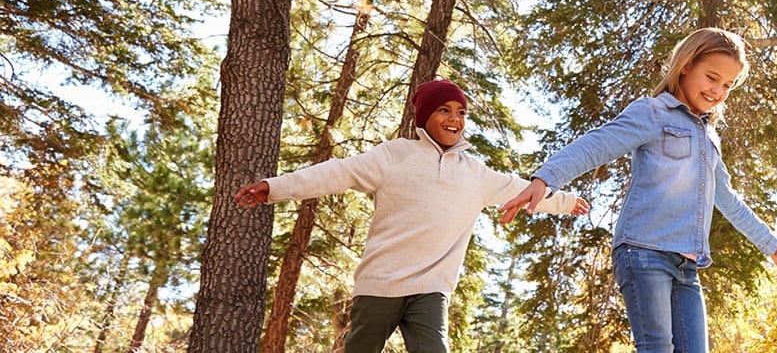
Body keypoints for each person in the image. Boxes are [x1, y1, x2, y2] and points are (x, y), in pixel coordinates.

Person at [498, 28, 777, 353]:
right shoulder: (654, 112)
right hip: (644, 252)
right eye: (712, 77)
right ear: (686, 65)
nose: (718, 90)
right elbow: (596, 145)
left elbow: (729, 201)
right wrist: (545, 180)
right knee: (657, 348)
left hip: (686, 266)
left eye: (727, 85)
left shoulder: (709, 137)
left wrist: (773, 248)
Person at [233, 78, 590, 353]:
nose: (454, 119)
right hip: (380, 284)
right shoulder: (394, 156)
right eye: (444, 110)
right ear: (425, 116)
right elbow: (335, 172)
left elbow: (524, 190)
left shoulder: (476, 173)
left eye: (461, 112)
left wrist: (564, 201)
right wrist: (274, 187)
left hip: (431, 289)